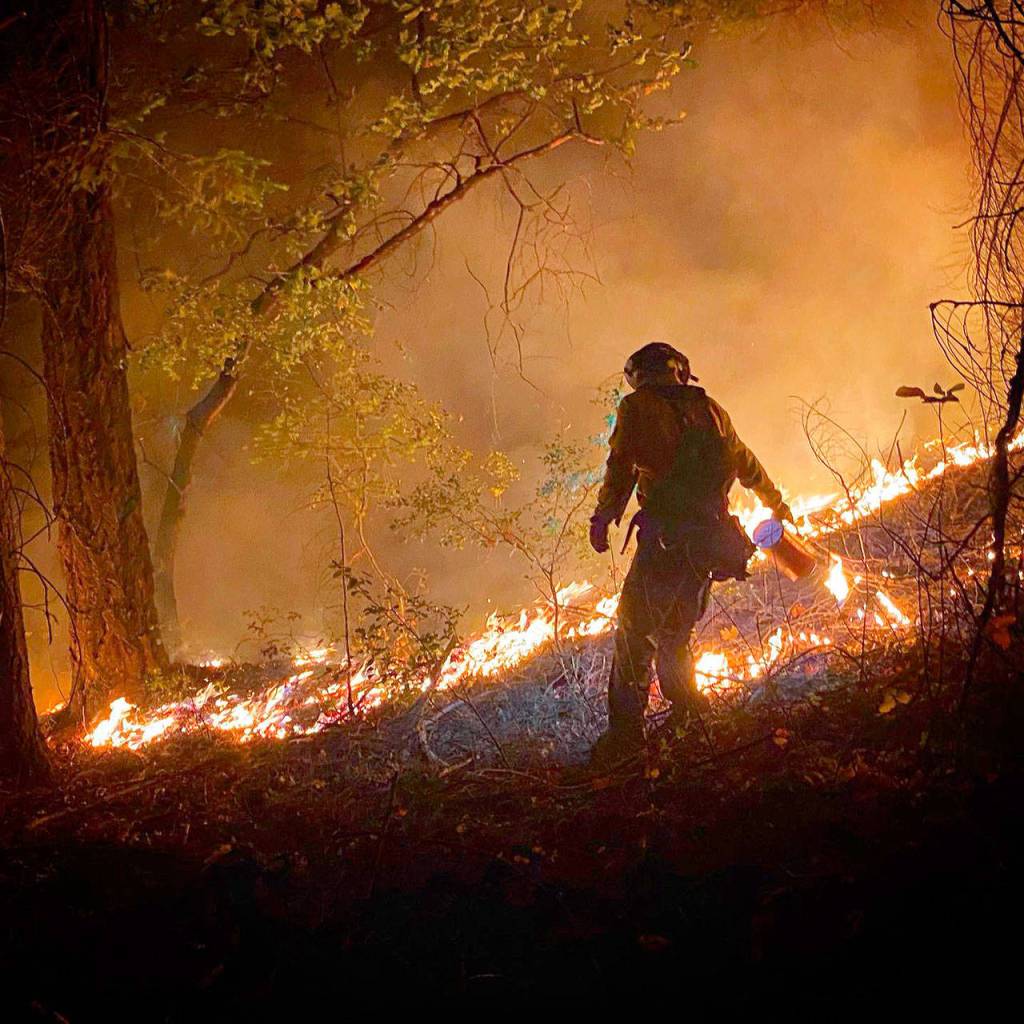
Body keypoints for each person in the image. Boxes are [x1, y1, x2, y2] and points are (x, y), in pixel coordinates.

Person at [589, 342, 792, 763]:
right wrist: (776, 503)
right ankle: (688, 716)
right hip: (709, 545)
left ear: (639, 375)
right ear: (680, 372)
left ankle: (626, 741)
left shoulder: (637, 408)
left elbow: (621, 465)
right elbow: (745, 462)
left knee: (634, 631)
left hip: (666, 542)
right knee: (675, 634)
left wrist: (603, 516)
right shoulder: (712, 409)